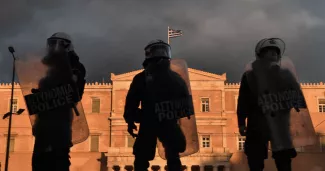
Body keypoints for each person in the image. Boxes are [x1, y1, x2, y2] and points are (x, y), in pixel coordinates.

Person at [124, 40, 191, 171]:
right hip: (164, 121)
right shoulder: (176, 78)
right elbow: (185, 106)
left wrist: (131, 120)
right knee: (171, 157)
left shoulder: (142, 78)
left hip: (151, 121)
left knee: (143, 159)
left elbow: (131, 103)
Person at [237, 38, 301, 171]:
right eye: (269, 52)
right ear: (261, 55)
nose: (273, 54)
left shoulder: (285, 74)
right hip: (257, 120)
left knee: (283, 158)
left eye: (275, 52)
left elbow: (294, 96)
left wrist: (296, 105)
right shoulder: (249, 76)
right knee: (255, 158)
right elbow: (243, 100)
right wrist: (241, 122)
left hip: (280, 121)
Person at [31, 32, 86, 171]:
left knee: (58, 161)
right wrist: (39, 97)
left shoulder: (75, 68)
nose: (52, 48)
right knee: (39, 161)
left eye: (56, 44)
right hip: (43, 124)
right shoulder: (47, 71)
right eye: (51, 44)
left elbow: (75, 94)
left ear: (66, 46)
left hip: (60, 122)